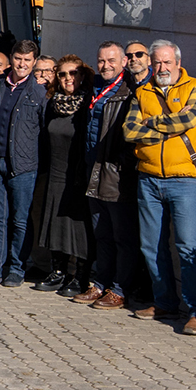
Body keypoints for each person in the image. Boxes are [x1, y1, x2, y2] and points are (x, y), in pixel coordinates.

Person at [123, 40, 196, 335]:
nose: (162, 68)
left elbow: (189, 118)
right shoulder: (143, 91)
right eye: (157, 63)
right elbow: (129, 131)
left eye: (166, 62)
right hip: (148, 178)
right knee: (151, 246)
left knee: (188, 246)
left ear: (177, 62)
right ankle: (164, 302)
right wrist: (168, 126)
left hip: (184, 179)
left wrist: (151, 123)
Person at [0, 40, 47, 288]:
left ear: (34, 62)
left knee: (20, 219)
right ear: (11, 58)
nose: (22, 64)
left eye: (27, 60)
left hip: (24, 166)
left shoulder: (39, 92)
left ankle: (16, 268)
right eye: (18, 58)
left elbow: (44, 130)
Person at [77, 43, 145, 312]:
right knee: (101, 233)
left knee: (123, 237)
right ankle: (100, 281)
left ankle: (119, 288)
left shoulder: (129, 91)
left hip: (117, 174)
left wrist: (123, 164)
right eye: (101, 60)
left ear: (123, 62)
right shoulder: (93, 88)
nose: (105, 65)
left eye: (111, 60)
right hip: (93, 170)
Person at [33, 55, 93, 294]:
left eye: (73, 73)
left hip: (77, 174)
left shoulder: (88, 103)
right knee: (54, 223)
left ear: (82, 75)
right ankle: (58, 271)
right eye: (63, 74)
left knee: (78, 227)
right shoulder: (53, 103)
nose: (69, 78)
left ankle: (80, 275)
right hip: (55, 172)